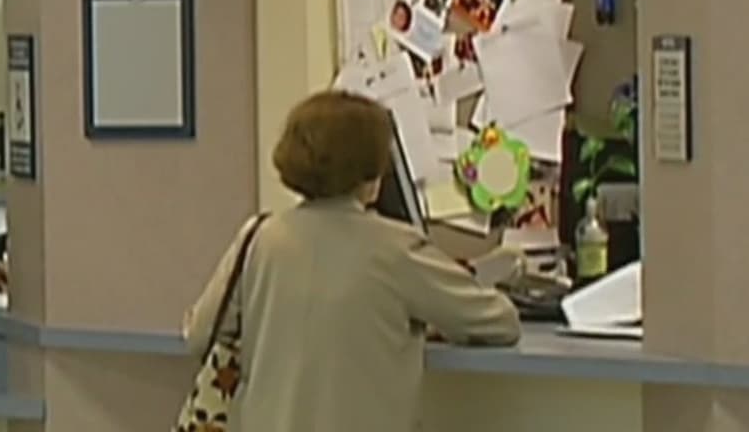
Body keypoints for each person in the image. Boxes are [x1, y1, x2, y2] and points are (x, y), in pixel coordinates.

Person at [183, 91, 519, 432]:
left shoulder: (258, 238)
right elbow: (500, 322)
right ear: (371, 171)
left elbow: (199, 335)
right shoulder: (397, 249)